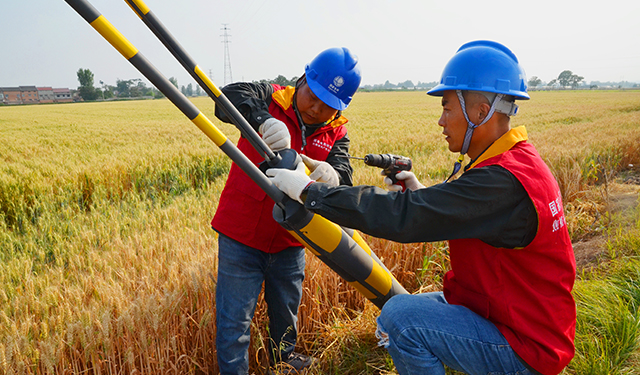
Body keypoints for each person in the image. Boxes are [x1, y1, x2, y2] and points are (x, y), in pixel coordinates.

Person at [266, 40, 576, 375]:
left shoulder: (501, 183)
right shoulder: (515, 164)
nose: (441, 121)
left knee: (402, 318)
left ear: (480, 112)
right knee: (393, 315)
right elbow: (460, 211)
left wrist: (312, 193)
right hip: (512, 314)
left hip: (525, 346)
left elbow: (406, 217)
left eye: (447, 108)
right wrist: (419, 190)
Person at [213, 47, 362, 375]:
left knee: (286, 318)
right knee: (234, 323)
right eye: (313, 96)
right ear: (302, 79)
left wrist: (332, 177)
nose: (316, 108)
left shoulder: (337, 133)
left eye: (328, 106)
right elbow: (226, 97)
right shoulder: (270, 97)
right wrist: (262, 120)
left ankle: (282, 365)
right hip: (242, 236)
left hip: (292, 241)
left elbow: (344, 178)